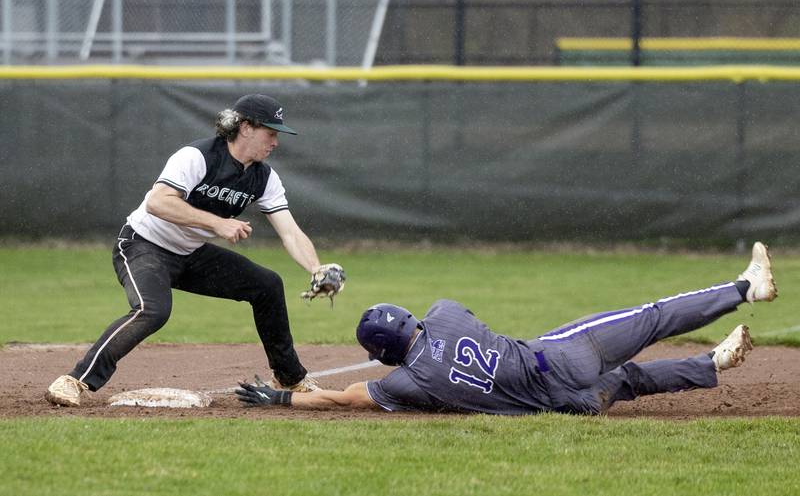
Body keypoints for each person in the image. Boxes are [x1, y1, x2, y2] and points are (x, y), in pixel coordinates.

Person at [236, 242, 777, 415]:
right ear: (409, 319)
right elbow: (454, 329)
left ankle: (710, 365)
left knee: (629, 379)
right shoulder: (445, 312)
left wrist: (283, 401)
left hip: (572, 405)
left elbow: (346, 397)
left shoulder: (409, 385)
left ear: (384, 354)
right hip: (559, 359)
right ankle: (741, 290)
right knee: (653, 317)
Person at [46, 94, 342, 407]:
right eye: (271, 133)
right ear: (246, 128)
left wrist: (316, 268)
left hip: (190, 253)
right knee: (153, 311)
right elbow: (158, 202)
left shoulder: (263, 177)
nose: (276, 142)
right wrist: (218, 224)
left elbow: (291, 232)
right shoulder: (197, 156)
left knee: (266, 285)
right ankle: (76, 379)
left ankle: (289, 377)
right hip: (143, 245)